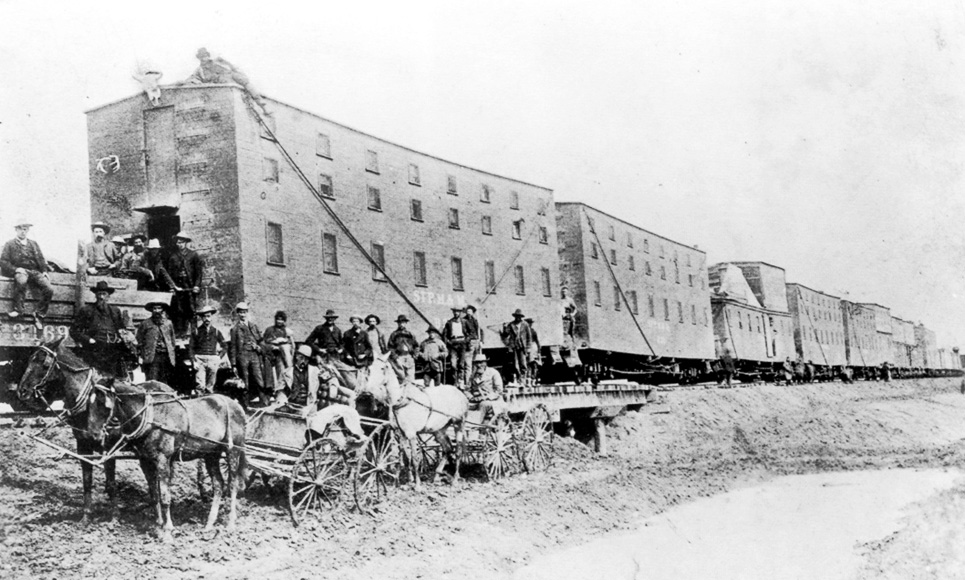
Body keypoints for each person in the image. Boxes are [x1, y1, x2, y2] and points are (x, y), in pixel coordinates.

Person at [70, 280, 134, 377]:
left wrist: (122, 338)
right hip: (94, 350)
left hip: (111, 351)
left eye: (104, 294)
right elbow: (74, 330)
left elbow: (121, 329)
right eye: (99, 294)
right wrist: (89, 340)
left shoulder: (115, 311)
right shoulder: (87, 310)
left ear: (108, 296)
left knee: (112, 379)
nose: (101, 297)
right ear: (95, 295)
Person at [183, 47, 270, 116]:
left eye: (205, 56)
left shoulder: (217, 62)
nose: (203, 58)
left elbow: (231, 68)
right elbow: (193, 78)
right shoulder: (200, 70)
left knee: (245, 82)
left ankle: (262, 105)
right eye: (201, 57)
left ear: (208, 56)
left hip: (230, 79)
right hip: (218, 87)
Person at [1, 219, 53, 327]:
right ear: (16, 230)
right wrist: (15, 269)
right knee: (21, 281)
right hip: (20, 270)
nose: (23, 231)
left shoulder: (33, 244)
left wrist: (44, 271)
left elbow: (41, 259)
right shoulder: (9, 244)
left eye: (25, 229)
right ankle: (18, 309)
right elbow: (3, 261)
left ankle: (39, 313)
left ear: (28, 230)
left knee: (49, 289)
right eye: (20, 229)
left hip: (34, 271)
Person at [164, 233, 205, 334]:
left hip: (190, 286)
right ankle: (181, 332)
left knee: (191, 309)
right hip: (179, 286)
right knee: (179, 309)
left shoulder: (193, 255)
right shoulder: (173, 257)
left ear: (186, 242)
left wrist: (197, 285)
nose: (179, 244)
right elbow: (169, 274)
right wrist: (172, 287)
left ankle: (194, 330)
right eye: (178, 242)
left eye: (181, 242)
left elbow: (198, 273)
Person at [228, 302, 267, 406]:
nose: (242, 314)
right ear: (237, 314)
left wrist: (258, 348)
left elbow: (261, 341)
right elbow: (232, 347)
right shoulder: (234, 329)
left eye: (244, 312)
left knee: (259, 379)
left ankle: (264, 402)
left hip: (254, 355)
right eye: (240, 312)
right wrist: (234, 364)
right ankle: (245, 405)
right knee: (245, 381)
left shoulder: (253, 326)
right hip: (242, 357)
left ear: (247, 313)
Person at [136, 301, 177, 385]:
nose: (157, 310)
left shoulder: (168, 323)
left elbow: (172, 340)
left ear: (163, 310)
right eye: (155, 308)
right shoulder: (145, 324)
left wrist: (171, 352)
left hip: (166, 356)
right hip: (152, 357)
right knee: (152, 380)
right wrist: (142, 355)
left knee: (165, 380)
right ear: (151, 310)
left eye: (159, 308)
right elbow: (139, 341)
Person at [190, 304, 227, 395]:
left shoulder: (216, 331)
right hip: (200, 360)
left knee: (210, 386)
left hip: (213, 360)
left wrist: (219, 357)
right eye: (204, 317)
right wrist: (193, 361)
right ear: (201, 318)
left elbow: (225, 345)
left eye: (208, 316)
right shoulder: (196, 331)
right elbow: (191, 348)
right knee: (200, 385)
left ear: (211, 317)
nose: (207, 319)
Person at [467, 354, 507, 424]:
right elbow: (467, 390)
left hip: (493, 401)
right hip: (475, 401)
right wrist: (471, 397)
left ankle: (476, 424)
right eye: (477, 363)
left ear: (485, 363)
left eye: (481, 362)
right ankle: (465, 424)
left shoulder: (493, 373)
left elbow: (499, 391)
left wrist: (486, 397)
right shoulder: (473, 375)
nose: (479, 365)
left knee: (483, 404)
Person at [263, 310, 295, 397]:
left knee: (283, 373)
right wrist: (273, 345)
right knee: (276, 374)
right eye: (278, 319)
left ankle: (283, 392)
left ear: (284, 321)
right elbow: (265, 342)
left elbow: (292, 345)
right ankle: (275, 392)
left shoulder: (287, 331)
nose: (279, 321)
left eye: (282, 320)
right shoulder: (270, 330)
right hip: (272, 355)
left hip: (283, 356)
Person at [502, 309, 534, 385]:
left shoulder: (525, 324)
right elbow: (506, 334)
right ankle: (518, 379)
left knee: (523, 363)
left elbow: (529, 337)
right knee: (515, 364)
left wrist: (528, 347)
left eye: (519, 316)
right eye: (516, 316)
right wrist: (504, 327)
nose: (518, 318)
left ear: (521, 317)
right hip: (514, 346)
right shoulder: (511, 324)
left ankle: (523, 379)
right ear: (515, 317)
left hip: (522, 347)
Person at [443, 307, 473, 387]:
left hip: (462, 343)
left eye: (458, 312)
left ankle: (461, 381)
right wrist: (448, 342)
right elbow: (445, 335)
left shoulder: (464, 321)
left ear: (460, 313)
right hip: (453, 344)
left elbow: (471, 332)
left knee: (461, 364)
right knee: (453, 364)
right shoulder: (449, 322)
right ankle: (454, 382)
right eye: (454, 312)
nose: (456, 313)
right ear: (453, 313)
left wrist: (466, 340)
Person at [387, 315, 418, 382]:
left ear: (406, 323)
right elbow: (390, 347)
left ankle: (410, 391)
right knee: (401, 378)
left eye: (403, 323)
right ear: (398, 324)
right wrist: (394, 356)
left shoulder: (410, 334)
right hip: (399, 357)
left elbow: (416, 346)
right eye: (400, 323)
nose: (401, 324)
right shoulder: (394, 334)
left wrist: (415, 355)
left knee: (410, 378)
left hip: (409, 357)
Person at [525, 317, 542, 385]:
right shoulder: (529, 331)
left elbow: (537, 341)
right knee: (531, 364)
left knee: (531, 364)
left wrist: (539, 351)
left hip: (532, 347)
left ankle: (532, 379)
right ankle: (531, 380)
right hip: (531, 347)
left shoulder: (531, 331)